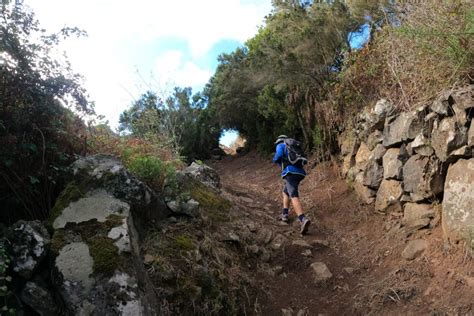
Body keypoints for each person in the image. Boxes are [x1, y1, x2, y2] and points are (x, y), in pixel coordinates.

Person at [272, 135, 311, 235]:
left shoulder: (281, 145)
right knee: (286, 192)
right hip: (300, 173)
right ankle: (285, 214)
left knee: (293, 195)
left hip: (290, 172)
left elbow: (278, 155)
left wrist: (275, 159)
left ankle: (303, 219)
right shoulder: (293, 145)